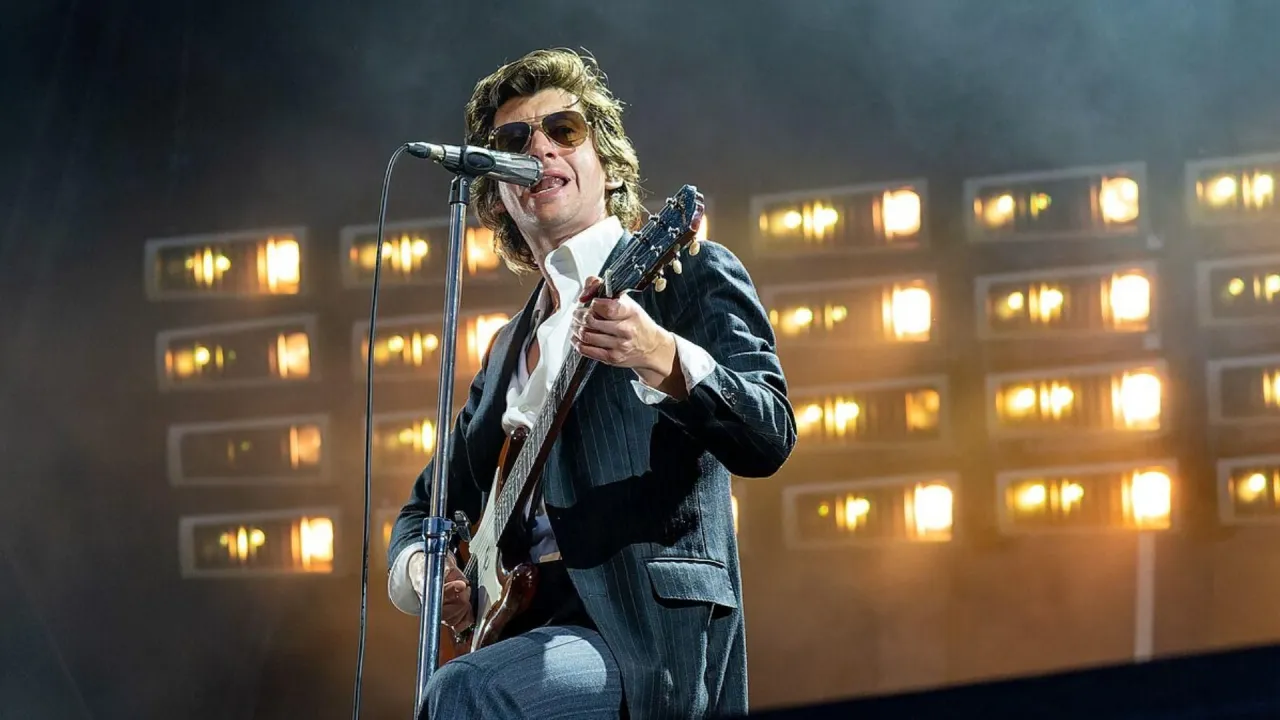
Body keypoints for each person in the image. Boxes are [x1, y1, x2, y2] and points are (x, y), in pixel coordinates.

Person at [387, 47, 796, 719]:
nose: (539, 149)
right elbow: (421, 512)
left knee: (465, 691)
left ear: (605, 161)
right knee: (466, 686)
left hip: (643, 637)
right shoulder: (505, 350)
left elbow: (770, 434)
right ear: (497, 192)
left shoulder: (685, 272)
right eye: (514, 141)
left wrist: (661, 355)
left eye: (563, 130)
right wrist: (431, 575)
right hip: (521, 629)